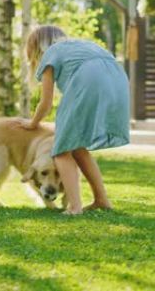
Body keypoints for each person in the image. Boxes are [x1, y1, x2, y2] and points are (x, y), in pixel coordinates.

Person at [18, 25, 129, 214]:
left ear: (36, 48)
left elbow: (45, 104)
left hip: (89, 82)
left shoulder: (50, 55)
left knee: (60, 151)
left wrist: (33, 123)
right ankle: (102, 200)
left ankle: (74, 207)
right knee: (77, 148)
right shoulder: (81, 46)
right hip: (118, 81)